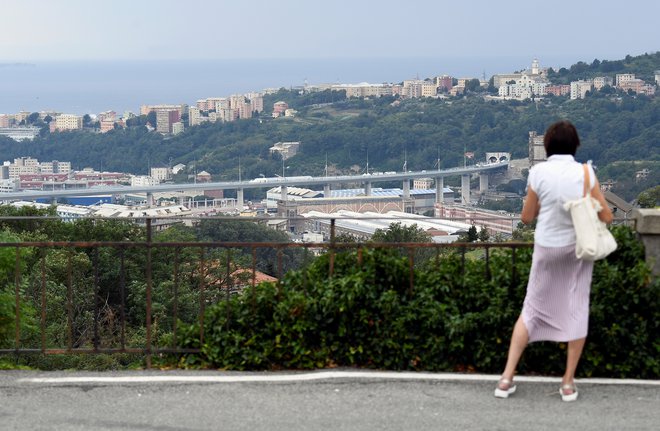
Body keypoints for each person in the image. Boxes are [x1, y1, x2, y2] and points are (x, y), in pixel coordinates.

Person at [494, 120, 613, 402]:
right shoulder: (585, 173)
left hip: (547, 247)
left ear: (546, 146)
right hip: (577, 248)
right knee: (576, 308)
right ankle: (568, 383)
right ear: (575, 146)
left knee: (532, 308)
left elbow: (526, 217)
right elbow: (607, 216)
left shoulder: (538, 172)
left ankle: (506, 378)